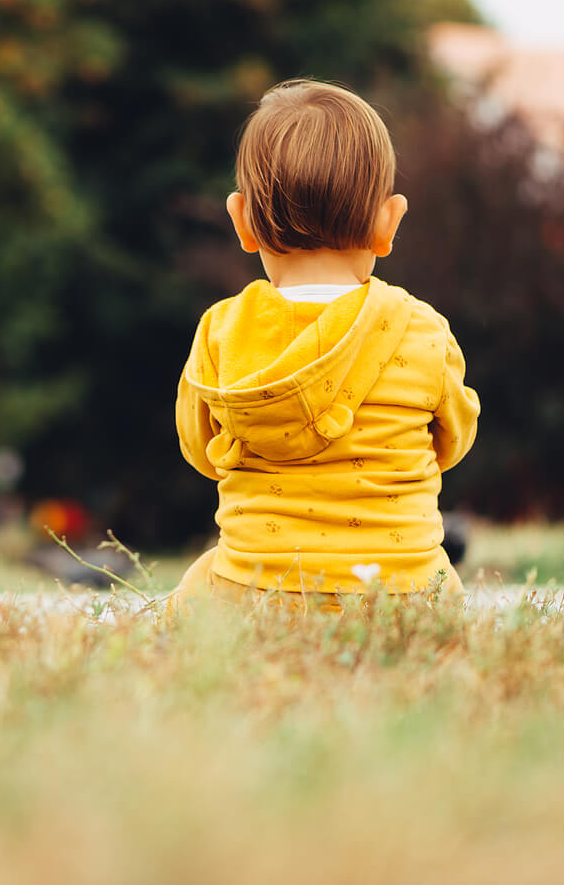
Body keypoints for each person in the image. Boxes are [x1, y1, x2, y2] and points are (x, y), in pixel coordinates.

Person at [169, 79, 480, 613]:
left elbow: (201, 451)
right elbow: (451, 442)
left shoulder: (220, 333)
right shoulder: (424, 330)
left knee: (200, 585)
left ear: (242, 221)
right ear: (389, 222)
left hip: (258, 599)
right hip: (401, 600)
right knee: (441, 580)